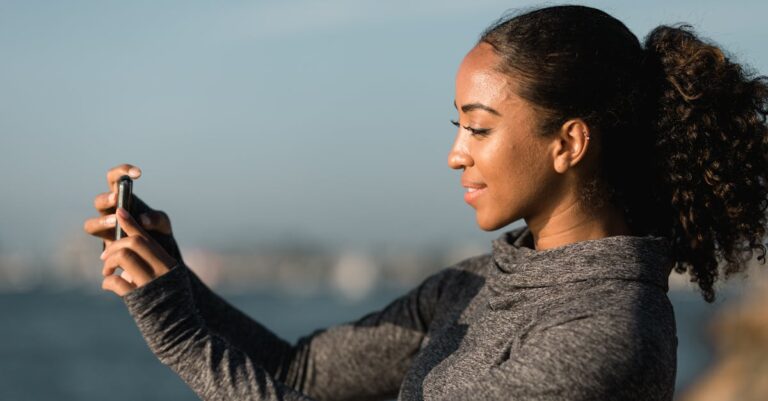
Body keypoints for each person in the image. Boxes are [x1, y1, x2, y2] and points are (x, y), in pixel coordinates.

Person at [82, 5, 768, 401]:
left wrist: (179, 333)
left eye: (480, 126)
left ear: (569, 143)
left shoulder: (606, 335)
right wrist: (174, 279)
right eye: (457, 126)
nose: (456, 152)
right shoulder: (475, 281)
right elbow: (303, 372)